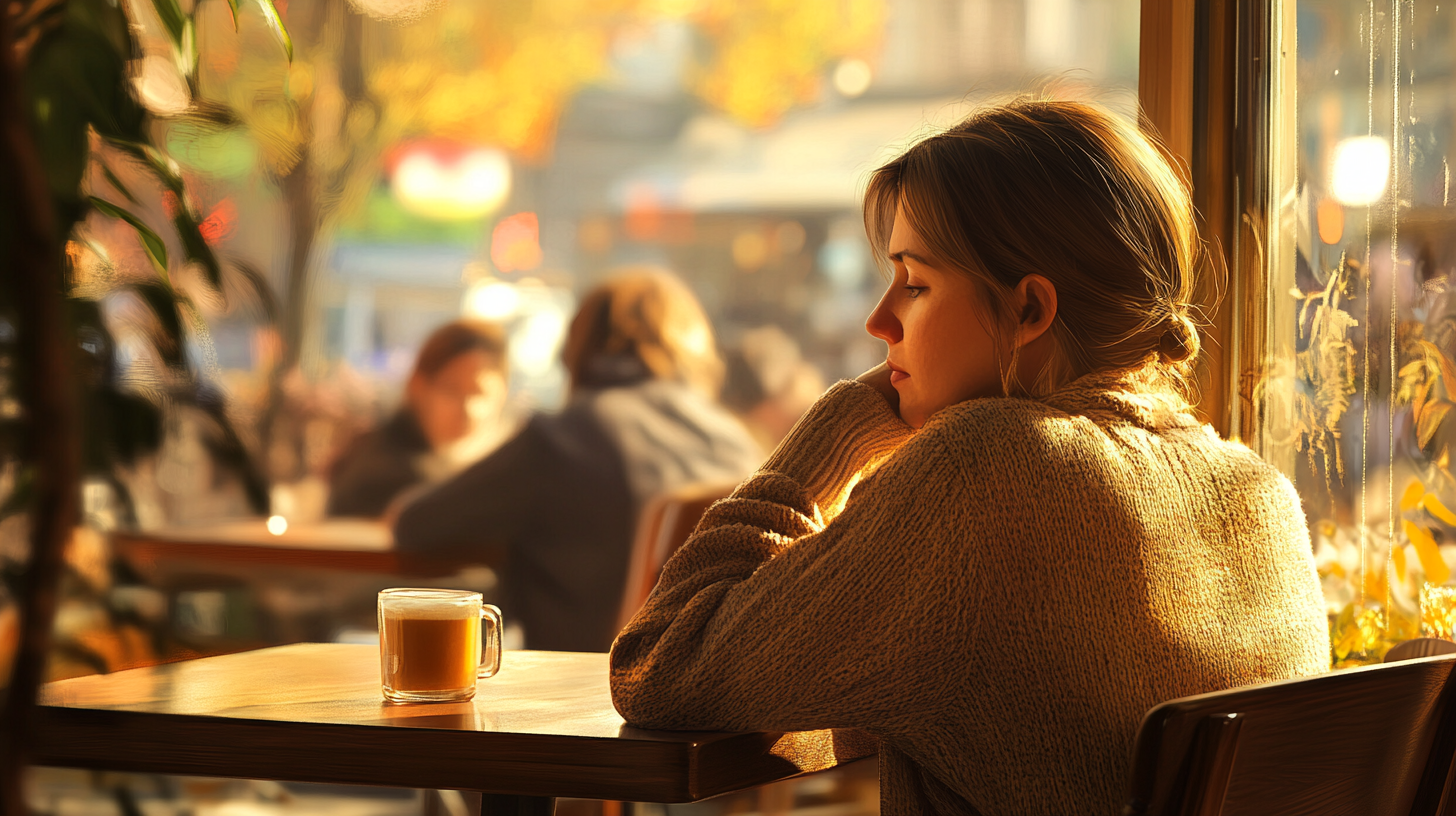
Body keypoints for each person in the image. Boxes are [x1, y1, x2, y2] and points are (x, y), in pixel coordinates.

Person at [609, 98, 1329, 815]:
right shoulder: (1258, 493)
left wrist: (832, 437)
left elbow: (661, 666)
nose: (877, 320)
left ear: (1028, 311)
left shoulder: (983, 469)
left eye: (915, 284)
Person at [394, 269, 762, 653]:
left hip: (589, 691)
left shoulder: (561, 439)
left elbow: (416, 525)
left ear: (576, 346)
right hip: (724, 694)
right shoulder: (737, 443)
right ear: (692, 344)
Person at [327, 319, 509, 518]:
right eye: (451, 390)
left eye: (480, 393)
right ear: (418, 387)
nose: (468, 409)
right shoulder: (382, 477)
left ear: (503, 394)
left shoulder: (500, 470)